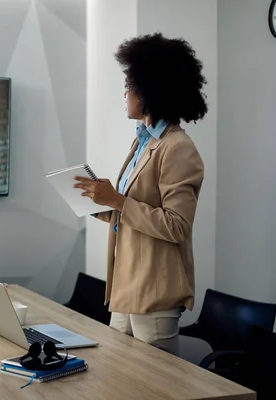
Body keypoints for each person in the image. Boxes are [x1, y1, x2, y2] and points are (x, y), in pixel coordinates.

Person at [73, 33, 207, 356]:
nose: (124, 93)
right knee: (117, 380)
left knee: (154, 388)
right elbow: (133, 213)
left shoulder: (178, 148)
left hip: (154, 296)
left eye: (129, 85)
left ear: (150, 90)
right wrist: (97, 201)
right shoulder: (143, 142)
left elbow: (177, 225)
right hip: (126, 289)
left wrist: (117, 200)